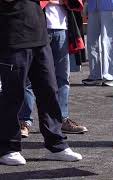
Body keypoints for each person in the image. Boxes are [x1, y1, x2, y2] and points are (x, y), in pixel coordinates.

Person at [0, 0, 82, 165]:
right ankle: (8, 148)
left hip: (39, 35)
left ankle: (57, 145)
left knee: (49, 91)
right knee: (13, 95)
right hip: (13, 35)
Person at [18, 0, 88, 138]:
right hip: (35, 26)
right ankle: (24, 121)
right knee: (29, 78)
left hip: (62, 27)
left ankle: (61, 118)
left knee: (62, 77)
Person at [82, 0, 113, 86]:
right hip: (93, 5)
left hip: (109, 4)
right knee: (92, 41)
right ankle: (95, 75)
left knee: (109, 39)